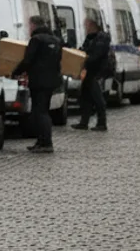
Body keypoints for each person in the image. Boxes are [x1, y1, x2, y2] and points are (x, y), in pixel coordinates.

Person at [11, 15, 63, 153]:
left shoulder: (36, 40)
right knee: (43, 110)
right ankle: (41, 141)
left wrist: (15, 72)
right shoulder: (56, 40)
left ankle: (46, 142)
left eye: (29, 26)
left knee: (39, 112)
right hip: (52, 81)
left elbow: (28, 60)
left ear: (33, 25)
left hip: (39, 81)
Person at [72, 16, 110, 132]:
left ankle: (101, 123)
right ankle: (84, 122)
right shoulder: (90, 37)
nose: (85, 27)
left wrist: (84, 59)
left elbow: (96, 55)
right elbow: (85, 50)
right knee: (86, 97)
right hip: (89, 71)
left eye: (86, 25)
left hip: (97, 72)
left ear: (93, 25)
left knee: (98, 98)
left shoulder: (102, 38)